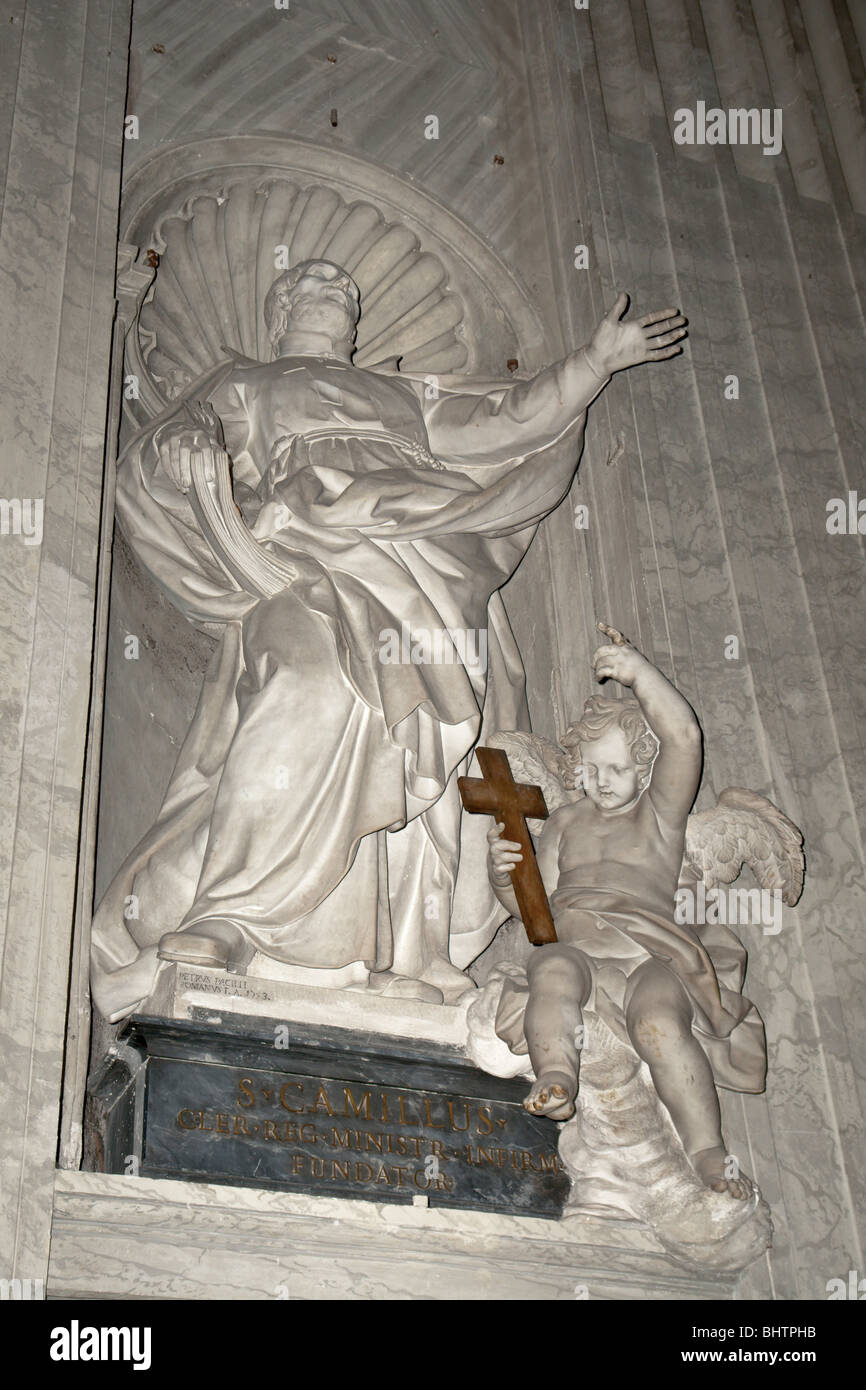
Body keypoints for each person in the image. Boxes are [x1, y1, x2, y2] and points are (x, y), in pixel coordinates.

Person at [91, 259, 687, 1023]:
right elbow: (177, 436)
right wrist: (186, 445)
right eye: (312, 281)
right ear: (280, 311)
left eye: (343, 286)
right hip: (306, 556)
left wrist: (592, 364)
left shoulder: (403, 396)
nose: (332, 288)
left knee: (432, 735)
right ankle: (232, 917)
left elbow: (507, 420)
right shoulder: (244, 381)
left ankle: (413, 948)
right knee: (304, 687)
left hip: (429, 558)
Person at [488, 629, 765, 1197]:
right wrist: (504, 873)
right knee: (552, 970)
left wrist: (638, 672)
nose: (601, 781)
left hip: (649, 954)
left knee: (659, 1023)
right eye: (589, 769)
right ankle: (557, 1074)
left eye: (615, 769)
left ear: (643, 767)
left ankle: (708, 1150)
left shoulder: (659, 819)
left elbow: (684, 737)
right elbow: (531, 908)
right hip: (576, 951)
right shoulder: (564, 824)